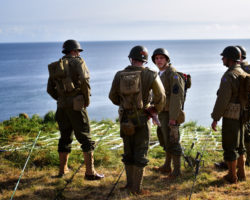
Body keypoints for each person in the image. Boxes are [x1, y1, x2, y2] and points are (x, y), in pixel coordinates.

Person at [109, 45, 166, 194]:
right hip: (143, 117)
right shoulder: (151, 74)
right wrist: (154, 109)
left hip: (125, 119)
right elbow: (161, 96)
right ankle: (137, 188)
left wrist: (124, 104)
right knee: (141, 151)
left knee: (128, 151)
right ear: (145, 60)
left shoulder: (119, 74)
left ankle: (129, 184)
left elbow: (112, 97)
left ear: (131, 58)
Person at [47, 39, 104, 180]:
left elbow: (50, 89)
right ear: (73, 51)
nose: (79, 53)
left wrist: (61, 99)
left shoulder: (56, 65)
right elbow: (84, 80)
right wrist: (86, 100)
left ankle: (63, 170)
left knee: (65, 137)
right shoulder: (79, 62)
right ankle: (90, 173)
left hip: (61, 106)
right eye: (78, 51)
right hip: (77, 105)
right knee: (86, 138)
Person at [211, 46, 246, 183]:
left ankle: (232, 176)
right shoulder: (241, 71)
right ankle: (242, 174)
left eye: (224, 57)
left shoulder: (229, 75)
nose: (222, 59)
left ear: (230, 59)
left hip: (231, 115)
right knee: (240, 146)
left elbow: (222, 100)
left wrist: (215, 118)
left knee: (230, 146)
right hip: (243, 114)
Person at [151, 48, 185, 178]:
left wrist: (173, 117)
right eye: (156, 58)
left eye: (161, 58)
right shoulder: (159, 74)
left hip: (170, 113)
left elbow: (177, 97)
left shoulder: (173, 74)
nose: (158, 60)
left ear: (167, 59)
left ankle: (177, 171)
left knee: (173, 141)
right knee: (165, 139)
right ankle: (166, 166)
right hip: (161, 113)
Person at [236, 45, 250, 166]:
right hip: (246, 103)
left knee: (245, 130)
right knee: (243, 129)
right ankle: (245, 159)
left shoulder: (244, 69)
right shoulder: (248, 68)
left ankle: (248, 159)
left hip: (245, 104)